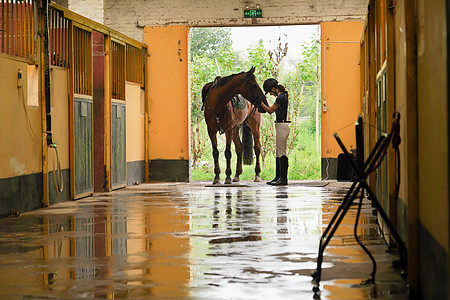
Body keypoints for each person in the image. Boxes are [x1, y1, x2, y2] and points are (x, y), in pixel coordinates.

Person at [260, 78, 290, 186]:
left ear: (273, 89)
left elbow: (270, 110)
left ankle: (283, 179)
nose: (271, 94)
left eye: (270, 92)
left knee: (282, 153)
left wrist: (261, 103)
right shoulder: (281, 97)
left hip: (282, 126)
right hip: (279, 125)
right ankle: (278, 177)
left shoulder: (281, 97)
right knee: (278, 153)